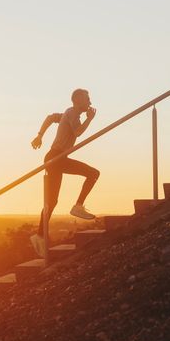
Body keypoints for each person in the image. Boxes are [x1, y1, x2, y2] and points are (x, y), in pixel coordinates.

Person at [30, 88, 100, 257]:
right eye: (87, 98)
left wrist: (39, 135)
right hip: (56, 159)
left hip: (56, 159)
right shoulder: (73, 113)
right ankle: (77, 206)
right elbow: (78, 132)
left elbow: (50, 118)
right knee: (93, 173)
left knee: (52, 201)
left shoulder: (68, 114)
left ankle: (39, 235)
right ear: (77, 100)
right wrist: (90, 119)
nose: (90, 102)